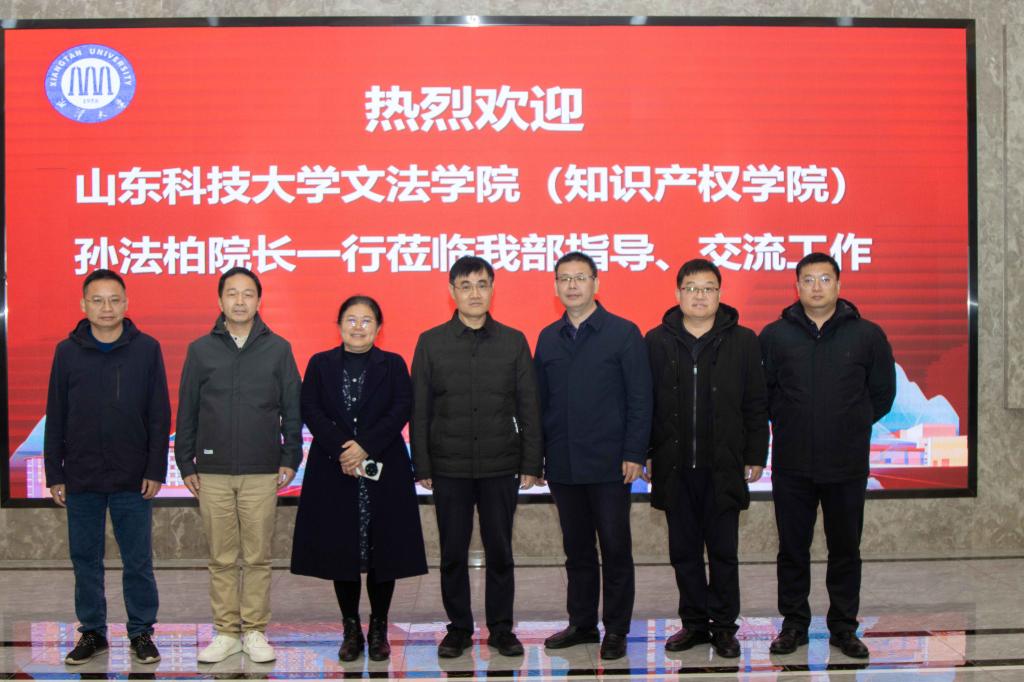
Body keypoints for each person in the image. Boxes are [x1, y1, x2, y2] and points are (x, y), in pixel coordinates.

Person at [759, 252, 896, 659]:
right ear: (796, 286)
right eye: (808, 279)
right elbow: (763, 393)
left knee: (845, 550)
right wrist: (789, 419)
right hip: (792, 463)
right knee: (792, 550)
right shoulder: (775, 335)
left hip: (846, 464)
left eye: (824, 279)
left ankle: (844, 627)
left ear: (838, 284)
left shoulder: (867, 335)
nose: (816, 287)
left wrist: (851, 422)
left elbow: (882, 393)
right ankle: (794, 625)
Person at [410, 256, 543, 659]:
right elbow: (420, 409)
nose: (474, 293)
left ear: (492, 289)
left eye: (482, 284)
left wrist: (531, 463)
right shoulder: (431, 342)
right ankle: (459, 629)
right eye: (465, 285)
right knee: (452, 553)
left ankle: (501, 629)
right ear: (452, 291)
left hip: (500, 464)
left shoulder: (513, 341)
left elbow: (529, 406)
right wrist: (422, 465)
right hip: (448, 466)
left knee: (500, 551)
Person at [175, 266, 302, 664]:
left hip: (262, 470)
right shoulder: (200, 350)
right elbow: (188, 409)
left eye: (248, 294)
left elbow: (292, 408)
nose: (240, 301)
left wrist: (290, 456)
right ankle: (227, 631)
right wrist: (185, 461)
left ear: (259, 301)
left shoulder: (278, 349)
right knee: (222, 557)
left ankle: (255, 630)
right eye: (232, 293)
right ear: (220, 300)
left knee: (258, 556)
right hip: (212, 472)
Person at [291, 296, 427, 662]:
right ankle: (350, 628)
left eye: (366, 320)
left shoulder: (393, 364)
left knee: (385, 549)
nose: (358, 327)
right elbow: (310, 408)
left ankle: (378, 627)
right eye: (351, 319)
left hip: (384, 467)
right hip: (334, 468)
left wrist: (365, 445)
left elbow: (401, 407)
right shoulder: (320, 364)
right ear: (339, 325)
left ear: (379, 328)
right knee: (342, 549)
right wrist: (343, 448)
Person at [644, 259, 769, 659]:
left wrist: (755, 453)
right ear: (678, 293)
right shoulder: (656, 341)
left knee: (723, 553)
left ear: (720, 293)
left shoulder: (743, 340)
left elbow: (756, 402)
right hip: (674, 465)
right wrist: (646, 453)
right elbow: (645, 404)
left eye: (708, 288)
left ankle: (724, 628)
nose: (700, 295)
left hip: (724, 465)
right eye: (692, 288)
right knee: (683, 553)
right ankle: (694, 624)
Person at [44, 269, 170, 665]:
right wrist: (55, 472)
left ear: (126, 303)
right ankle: (93, 632)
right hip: (81, 475)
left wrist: (155, 468)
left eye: (114, 299)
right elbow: (56, 413)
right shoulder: (67, 352)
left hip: (133, 476)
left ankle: (141, 632)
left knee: (138, 560)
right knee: (85, 560)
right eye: (97, 300)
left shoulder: (147, 349)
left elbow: (159, 414)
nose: (107, 308)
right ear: (83, 305)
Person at [534, 251, 652, 661]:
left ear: (596, 284)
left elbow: (641, 399)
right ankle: (582, 623)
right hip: (563, 462)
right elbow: (539, 403)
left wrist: (635, 452)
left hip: (611, 464)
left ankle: (616, 628)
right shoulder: (548, 337)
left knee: (615, 549)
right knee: (577, 550)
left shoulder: (623, 333)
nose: (572, 286)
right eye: (564, 279)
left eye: (580, 278)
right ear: (555, 286)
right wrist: (538, 457)